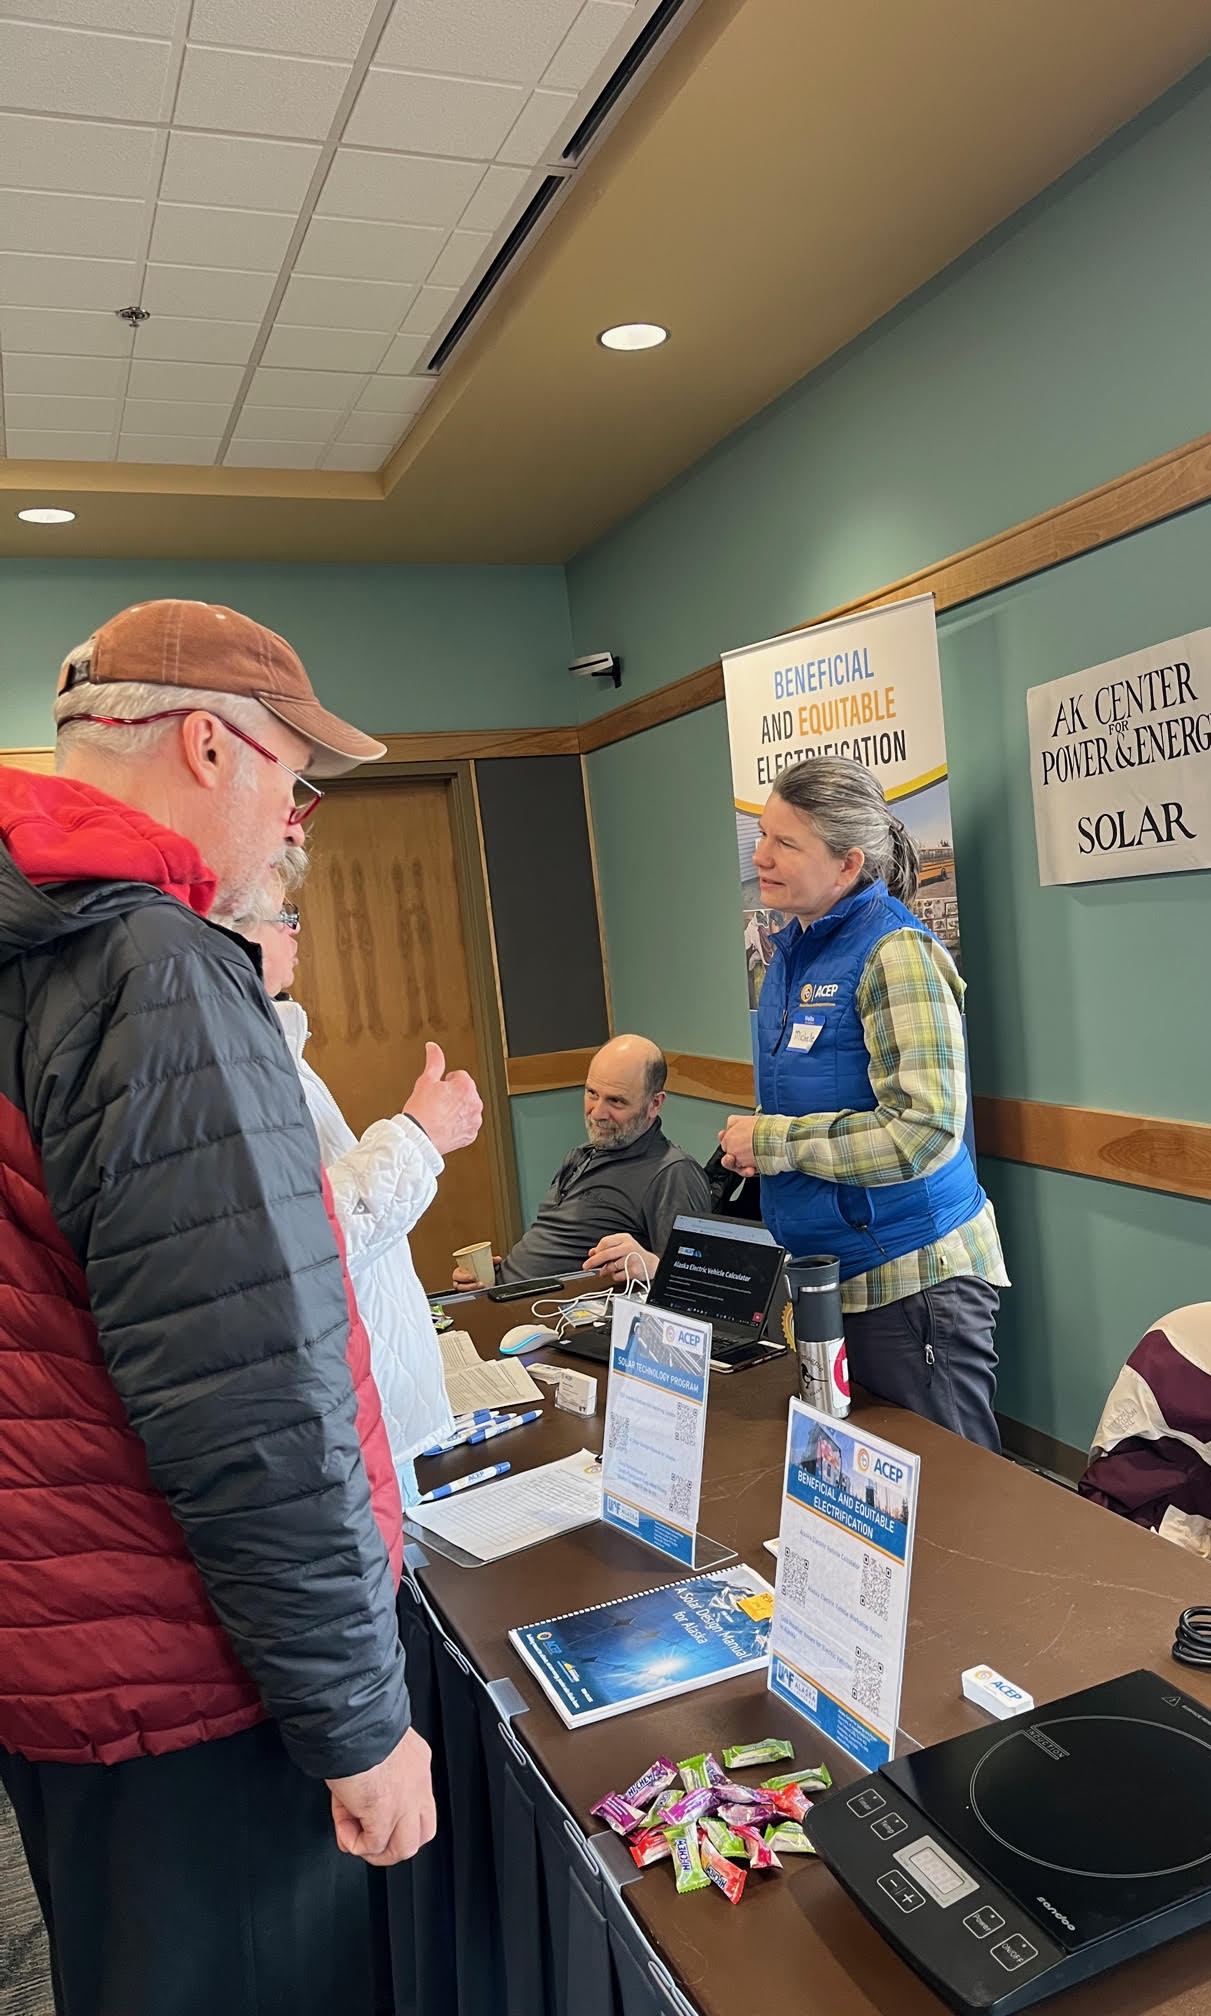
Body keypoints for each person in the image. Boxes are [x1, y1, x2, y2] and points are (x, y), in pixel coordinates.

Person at [0, 600, 434, 2016]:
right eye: (290, 775)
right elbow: (252, 1393)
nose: (296, 816)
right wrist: (362, 1722)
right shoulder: (155, 968)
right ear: (207, 742)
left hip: (65, 1663)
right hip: (197, 1678)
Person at [719, 756, 1008, 1450]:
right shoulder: (790, 951)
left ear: (847, 866)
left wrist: (773, 1142)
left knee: (955, 1508)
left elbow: (924, 1131)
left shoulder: (896, 952)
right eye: (761, 834)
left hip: (913, 1285)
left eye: (785, 843)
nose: (760, 855)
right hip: (829, 1281)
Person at [232, 876, 483, 1502]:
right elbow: (296, 1242)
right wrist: (419, 1136)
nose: (296, 928)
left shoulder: (274, 1041)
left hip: (365, 1411)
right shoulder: (232, 1056)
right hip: (331, 1434)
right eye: (283, 912)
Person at [453, 1034, 710, 1289]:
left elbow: (695, 1283)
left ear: (654, 1104)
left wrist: (652, 1266)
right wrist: (491, 1280)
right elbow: (552, 1247)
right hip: (498, 1297)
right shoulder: (582, 1155)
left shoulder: (673, 1174)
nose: (597, 1113)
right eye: (592, 1093)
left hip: (550, 1319)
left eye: (616, 1101)